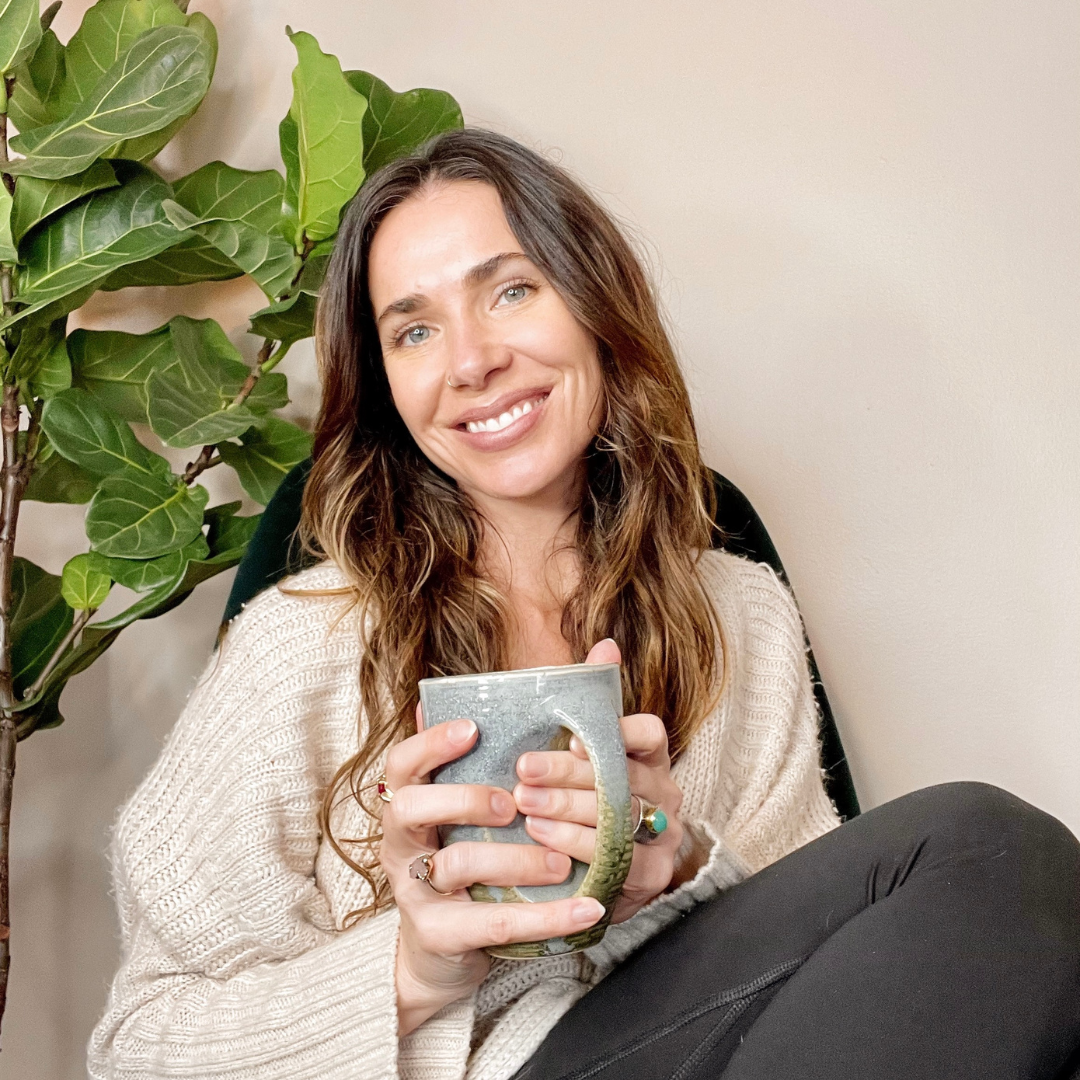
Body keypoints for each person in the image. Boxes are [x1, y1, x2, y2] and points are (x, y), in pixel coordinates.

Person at [88, 129, 1080, 1080]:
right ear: (387, 384)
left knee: (993, 865)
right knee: (983, 840)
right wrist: (416, 972)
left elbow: (845, 961)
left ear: (596, 305)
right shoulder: (302, 645)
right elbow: (138, 1046)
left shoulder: (740, 616)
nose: (471, 361)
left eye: (511, 290)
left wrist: (675, 872)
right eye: (415, 330)